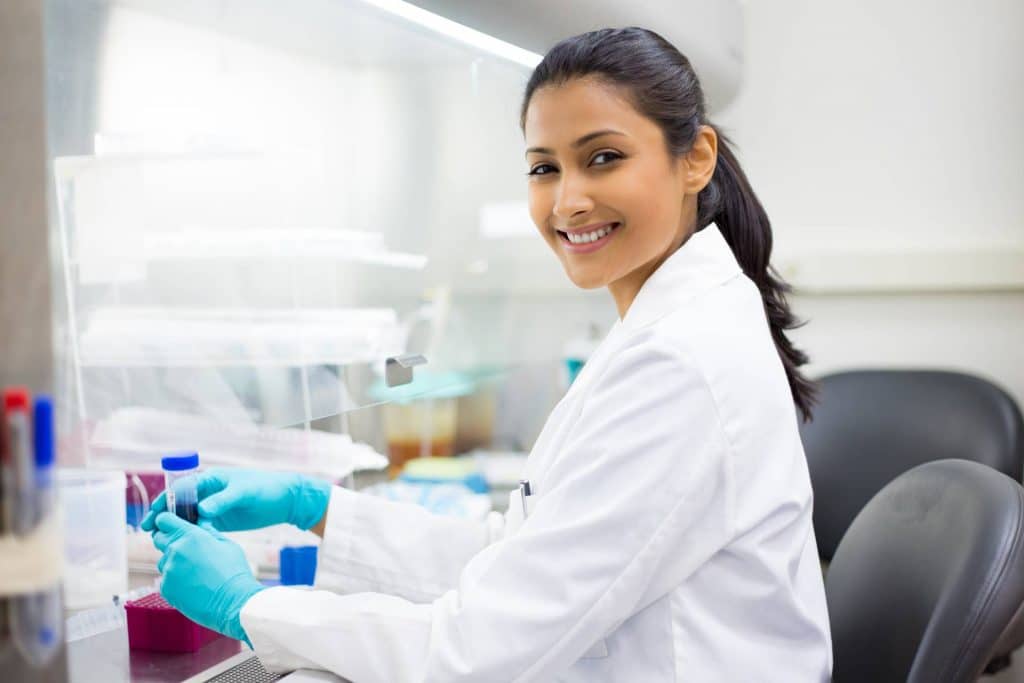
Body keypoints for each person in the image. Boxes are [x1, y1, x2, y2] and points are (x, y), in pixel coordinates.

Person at [142, 27, 832, 682]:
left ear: (696, 158)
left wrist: (247, 604)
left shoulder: (680, 364)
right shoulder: (670, 327)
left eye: (603, 157)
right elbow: (517, 563)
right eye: (544, 168)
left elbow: (475, 654)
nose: (568, 200)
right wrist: (318, 506)